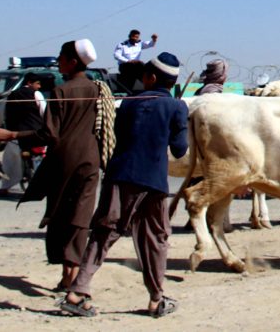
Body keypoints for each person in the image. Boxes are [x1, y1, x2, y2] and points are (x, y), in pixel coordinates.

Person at [59, 52, 188, 318]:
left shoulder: (128, 104)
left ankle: (78, 291)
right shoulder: (177, 107)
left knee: (104, 233)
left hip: (121, 177)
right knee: (155, 238)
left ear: (151, 78)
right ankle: (156, 297)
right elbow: (179, 149)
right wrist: (178, 124)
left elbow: (119, 136)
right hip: (154, 182)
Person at [0, 39, 102, 292]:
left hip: (64, 160)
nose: (58, 60)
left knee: (60, 216)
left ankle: (68, 274)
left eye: (61, 56)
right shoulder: (97, 89)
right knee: (80, 216)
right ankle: (73, 272)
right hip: (90, 161)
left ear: (72, 61)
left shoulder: (60, 92)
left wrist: (12, 135)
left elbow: (49, 135)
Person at [0, 73, 48, 196]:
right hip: (34, 137)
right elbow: (45, 113)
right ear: (29, 83)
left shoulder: (10, 95)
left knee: (9, 162)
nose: (39, 87)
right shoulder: (36, 94)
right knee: (43, 158)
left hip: (14, 138)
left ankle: (5, 187)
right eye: (37, 84)